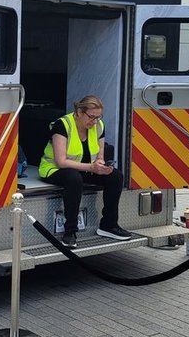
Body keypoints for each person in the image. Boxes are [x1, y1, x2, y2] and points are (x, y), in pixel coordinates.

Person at [39, 95, 131, 247]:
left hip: (84, 168)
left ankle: (108, 225)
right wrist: (91, 167)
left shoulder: (99, 125)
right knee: (74, 179)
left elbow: (99, 155)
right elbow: (61, 162)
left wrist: (101, 165)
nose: (94, 121)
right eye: (91, 117)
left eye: (98, 117)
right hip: (54, 169)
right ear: (79, 112)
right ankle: (70, 232)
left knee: (115, 176)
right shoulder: (63, 125)